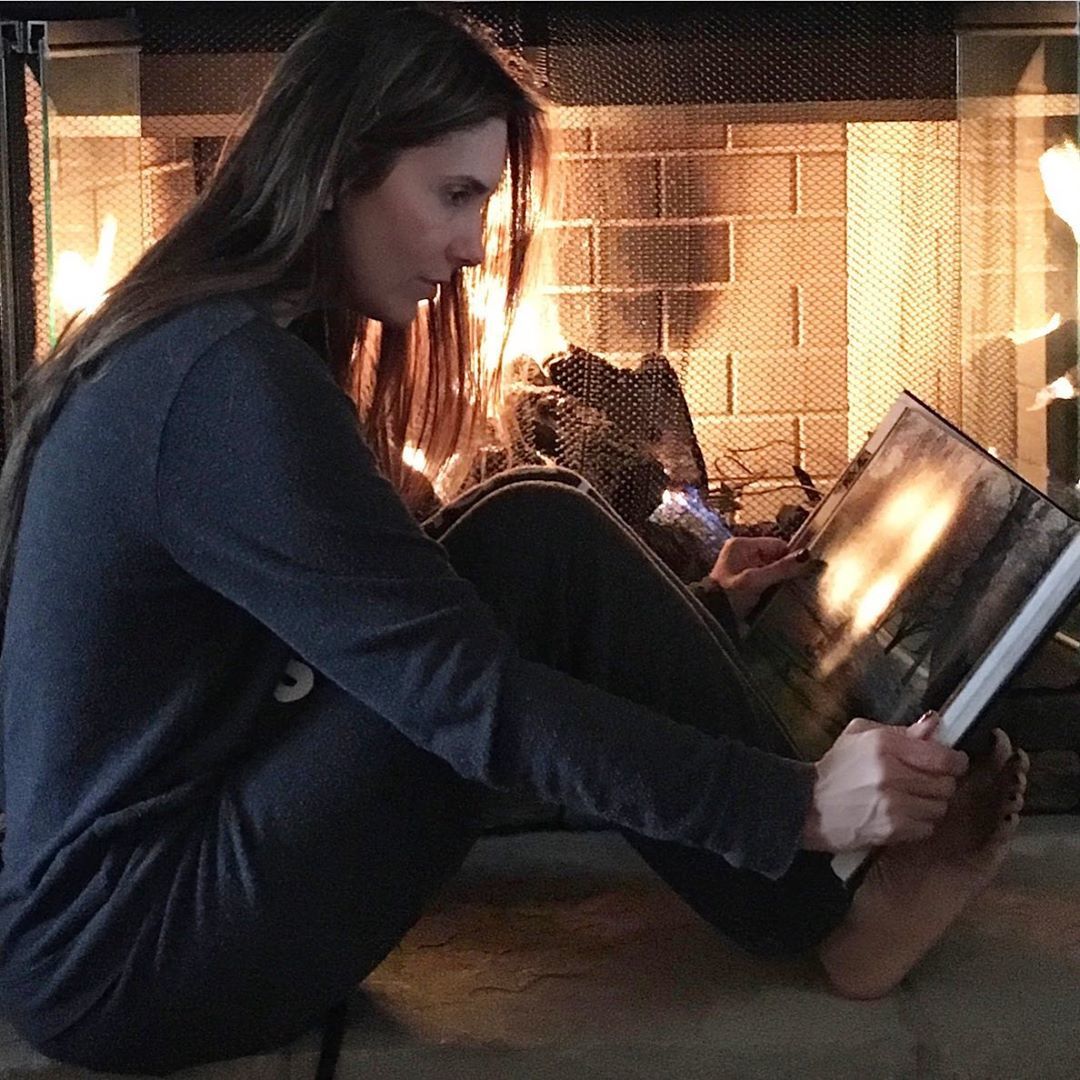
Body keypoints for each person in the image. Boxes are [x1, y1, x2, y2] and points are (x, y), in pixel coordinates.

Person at [0, 3, 1026, 1074]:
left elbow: (380, 633)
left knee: (530, 527)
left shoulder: (214, 344)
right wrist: (793, 807)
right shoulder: (227, 384)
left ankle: (811, 862)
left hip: (166, 878)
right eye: (454, 195)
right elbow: (461, 697)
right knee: (529, 560)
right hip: (132, 953)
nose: (471, 246)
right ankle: (829, 909)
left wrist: (693, 615)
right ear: (342, 167)